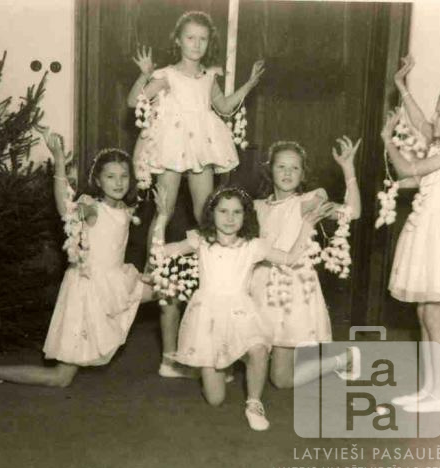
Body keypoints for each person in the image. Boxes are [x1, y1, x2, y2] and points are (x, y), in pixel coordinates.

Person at [0, 135, 158, 387]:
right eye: (110, 176)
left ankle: (178, 354)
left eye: (124, 176)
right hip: (89, 289)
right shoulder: (92, 207)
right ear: (98, 180)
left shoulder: (125, 208)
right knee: (60, 378)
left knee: (167, 290)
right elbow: (65, 209)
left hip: (116, 282)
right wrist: (59, 159)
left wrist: (164, 210)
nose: (118, 182)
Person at [156, 186, 330, 430]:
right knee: (215, 399)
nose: (230, 218)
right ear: (212, 213)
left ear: (245, 216)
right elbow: (159, 252)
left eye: (237, 212)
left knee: (259, 348)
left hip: (241, 311)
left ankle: (254, 403)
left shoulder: (254, 245)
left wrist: (307, 226)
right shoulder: (201, 240)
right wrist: (162, 218)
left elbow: (290, 259)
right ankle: (220, 362)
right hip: (208, 316)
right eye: (223, 211)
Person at [381, 54, 440, 413]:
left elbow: (408, 168)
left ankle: (439, 395)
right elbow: (420, 121)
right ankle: (429, 389)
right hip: (429, 234)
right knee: (424, 313)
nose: (434, 118)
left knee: (434, 317)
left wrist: (388, 140)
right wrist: (401, 85)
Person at [127, 11, 264, 243]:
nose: (197, 44)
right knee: (164, 211)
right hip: (173, 145)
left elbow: (224, 107)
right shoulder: (168, 75)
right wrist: (144, 75)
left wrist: (249, 84)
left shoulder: (209, 76)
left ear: (209, 42)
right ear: (178, 40)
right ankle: (152, 263)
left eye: (203, 39)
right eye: (190, 38)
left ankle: (213, 259)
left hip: (202, 146)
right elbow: (133, 101)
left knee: (205, 212)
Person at [250, 137, 362, 389]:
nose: (287, 173)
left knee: (281, 380)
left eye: (295, 168)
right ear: (270, 170)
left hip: (290, 290)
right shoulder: (257, 206)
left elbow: (353, 212)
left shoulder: (306, 203)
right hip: (258, 285)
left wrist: (348, 170)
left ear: (302, 175)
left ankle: (344, 360)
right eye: (281, 166)